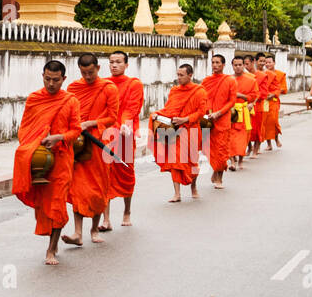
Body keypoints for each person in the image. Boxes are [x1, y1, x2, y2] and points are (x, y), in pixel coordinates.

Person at [12, 60, 82, 265]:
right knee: (44, 204)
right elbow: (24, 128)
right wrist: (34, 145)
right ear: (42, 76)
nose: (51, 84)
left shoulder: (70, 101)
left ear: (64, 79)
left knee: (58, 203)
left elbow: (76, 130)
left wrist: (58, 138)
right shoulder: (34, 99)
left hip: (61, 159)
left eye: (56, 80)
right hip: (41, 160)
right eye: (47, 79)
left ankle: (51, 249)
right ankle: (52, 241)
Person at [62, 53, 119, 247]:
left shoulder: (108, 89)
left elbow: (112, 117)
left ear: (98, 68)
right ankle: (78, 232)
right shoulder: (74, 88)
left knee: (98, 188)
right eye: (84, 73)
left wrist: (91, 123)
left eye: (91, 72)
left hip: (99, 143)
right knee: (78, 188)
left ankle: (94, 229)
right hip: (78, 144)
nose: (88, 76)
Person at [151, 64, 207, 202]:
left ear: (190, 75)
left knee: (192, 162)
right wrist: (157, 114)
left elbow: (201, 112)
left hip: (192, 129)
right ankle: (177, 193)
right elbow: (169, 108)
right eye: (178, 75)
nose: (179, 78)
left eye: (182, 75)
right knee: (174, 160)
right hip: (176, 130)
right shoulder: (175, 91)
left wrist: (185, 119)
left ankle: (194, 187)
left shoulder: (199, 91)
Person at [101, 50, 143, 229]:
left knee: (126, 172)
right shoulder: (103, 84)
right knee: (105, 174)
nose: (114, 65)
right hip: (106, 134)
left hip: (125, 134)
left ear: (126, 65)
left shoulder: (134, 84)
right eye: (111, 62)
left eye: (118, 62)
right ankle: (106, 219)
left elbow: (132, 107)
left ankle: (127, 211)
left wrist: (126, 124)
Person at [200, 54, 237, 189]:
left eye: (217, 62)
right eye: (213, 62)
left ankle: (219, 178)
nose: (215, 65)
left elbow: (232, 101)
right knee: (210, 149)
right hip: (208, 120)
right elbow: (202, 98)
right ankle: (216, 170)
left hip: (222, 119)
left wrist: (219, 113)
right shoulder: (206, 81)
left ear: (223, 65)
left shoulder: (230, 80)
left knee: (221, 151)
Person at [230, 55, 257, 170]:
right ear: (232, 66)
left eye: (240, 65)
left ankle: (240, 160)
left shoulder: (251, 80)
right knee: (230, 138)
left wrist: (240, 95)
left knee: (242, 138)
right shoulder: (228, 80)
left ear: (243, 66)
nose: (238, 67)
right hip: (230, 112)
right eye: (235, 65)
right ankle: (232, 161)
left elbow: (254, 96)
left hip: (243, 111)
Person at [263, 53, 286, 149]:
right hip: (264, 101)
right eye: (266, 62)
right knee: (265, 122)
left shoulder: (280, 74)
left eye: (269, 62)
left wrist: (274, 93)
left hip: (274, 100)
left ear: (274, 63)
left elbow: (283, 88)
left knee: (273, 121)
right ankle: (269, 144)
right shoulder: (262, 74)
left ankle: (276, 139)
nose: (268, 64)